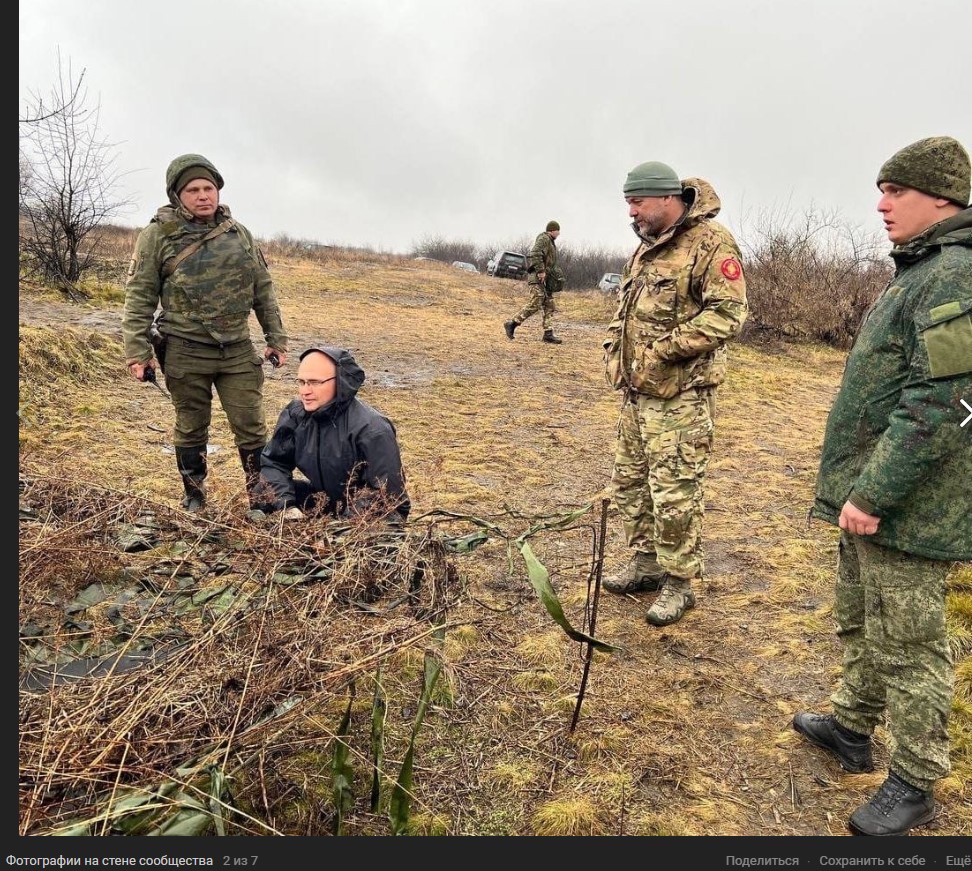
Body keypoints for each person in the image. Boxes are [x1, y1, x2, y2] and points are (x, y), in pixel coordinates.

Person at [792, 136, 972, 837]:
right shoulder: (920, 270)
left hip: (911, 508)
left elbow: (947, 402)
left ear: (943, 198)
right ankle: (850, 725)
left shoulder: (954, 276)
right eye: (881, 188)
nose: (881, 202)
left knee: (912, 642)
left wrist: (874, 494)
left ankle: (917, 781)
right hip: (872, 495)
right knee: (865, 619)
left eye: (896, 190)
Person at [601, 161, 748, 626]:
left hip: (681, 396)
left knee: (675, 492)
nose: (631, 211)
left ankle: (679, 582)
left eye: (637, 201)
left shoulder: (711, 243)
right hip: (637, 393)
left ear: (667, 198)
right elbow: (628, 311)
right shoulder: (647, 247)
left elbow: (728, 314)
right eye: (628, 202)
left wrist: (664, 351)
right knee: (631, 483)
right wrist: (615, 350)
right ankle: (645, 563)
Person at [122, 153, 289, 512]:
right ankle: (194, 496)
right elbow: (139, 297)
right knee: (191, 426)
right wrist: (138, 352)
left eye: (208, 187)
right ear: (177, 195)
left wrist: (276, 338)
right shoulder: (157, 235)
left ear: (218, 190)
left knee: (251, 426)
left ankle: (259, 500)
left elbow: (263, 289)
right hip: (185, 349)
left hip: (237, 350)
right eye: (193, 189)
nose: (203, 196)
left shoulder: (239, 233)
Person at [257, 346, 410, 523]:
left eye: (314, 382)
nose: (305, 391)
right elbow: (274, 463)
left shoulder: (372, 430)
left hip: (371, 512)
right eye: (301, 382)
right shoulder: (296, 415)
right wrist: (287, 507)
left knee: (383, 519)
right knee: (265, 491)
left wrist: (338, 529)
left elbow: (387, 497)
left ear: (340, 381)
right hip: (327, 502)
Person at [504, 220, 564, 344]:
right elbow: (535, 253)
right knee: (537, 301)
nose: (559, 233)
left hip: (545, 279)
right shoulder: (544, 238)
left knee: (549, 305)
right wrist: (541, 271)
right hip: (537, 277)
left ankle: (548, 334)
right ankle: (512, 323)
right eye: (558, 230)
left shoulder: (550, 242)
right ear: (552, 230)